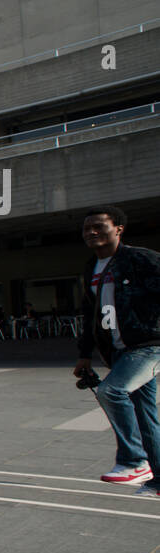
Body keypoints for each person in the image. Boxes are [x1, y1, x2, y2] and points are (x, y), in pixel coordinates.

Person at [73, 207, 160, 491]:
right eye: (87, 229)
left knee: (112, 391)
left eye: (99, 226)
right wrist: (85, 354)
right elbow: (90, 314)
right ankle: (157, 479)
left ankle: (133, 460)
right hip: (119, 351)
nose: (92, 232)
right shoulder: (91, 268)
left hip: (149, 345)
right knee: (146, 417)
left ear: (119, 229)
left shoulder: (140, 259)